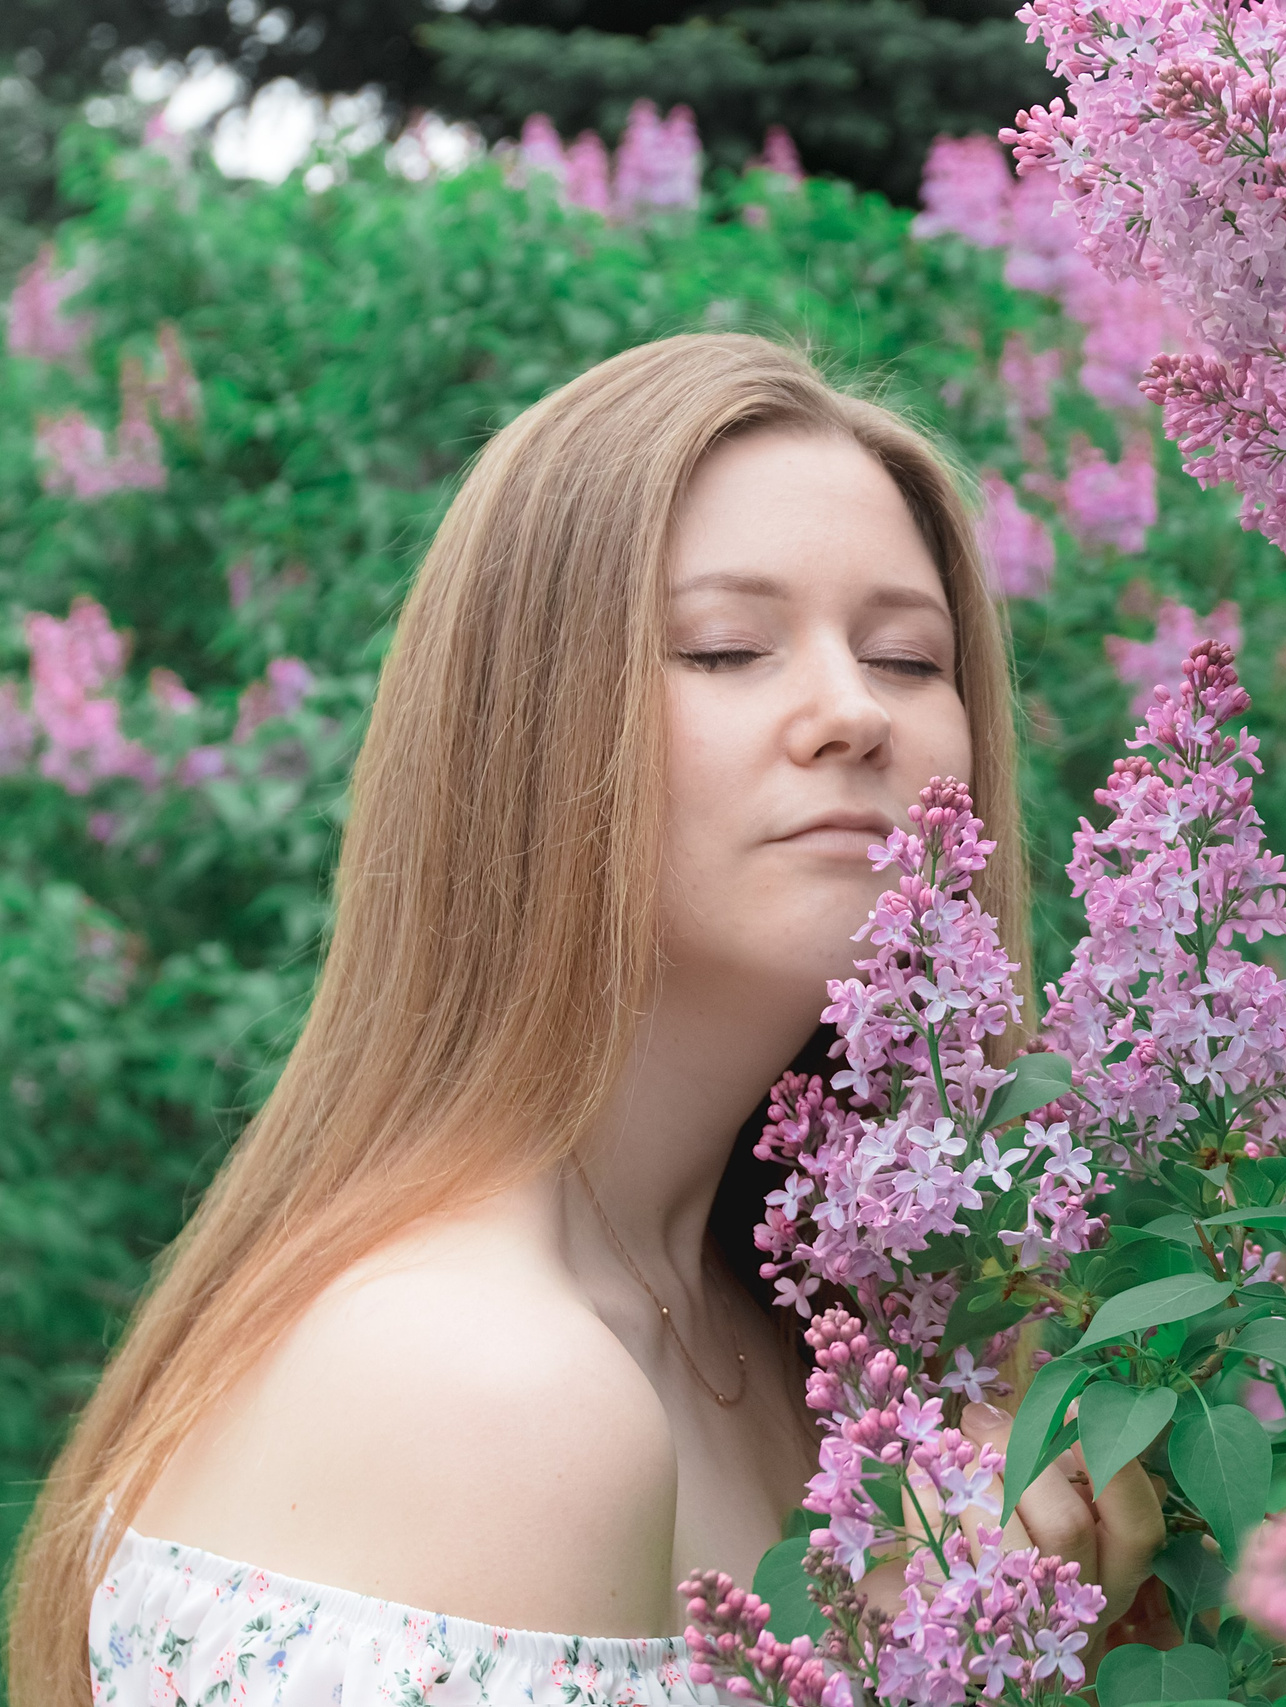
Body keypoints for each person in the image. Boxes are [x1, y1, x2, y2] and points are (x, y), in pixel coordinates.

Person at [7, 335, 1162, 1707]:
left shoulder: (799, 1349)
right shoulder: (491, 1385)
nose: (853, 712)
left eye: (909, 659)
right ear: (527, 732)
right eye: (728, 648)